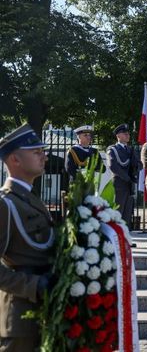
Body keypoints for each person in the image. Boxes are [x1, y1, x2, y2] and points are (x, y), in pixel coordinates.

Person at [0, 124, 54, 351]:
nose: (43, 155)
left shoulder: (29, 198)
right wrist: (35, 285)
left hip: (42, 315)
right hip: (20, 321)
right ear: (15, 159)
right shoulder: (5, 203)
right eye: (35, 152)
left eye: (42, 151)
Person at [107, 124, 141, 237]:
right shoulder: (113, 150)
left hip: (129, 185)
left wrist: (136, 167)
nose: (128, 135)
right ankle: (115, 237)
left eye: (128, 133)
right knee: (118, 212)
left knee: (127, 213)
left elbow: (138, 164)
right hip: (119, 184)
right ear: (118, 135)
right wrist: (127, 178)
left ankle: (125, 238)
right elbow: (113, 166)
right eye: (124, 133)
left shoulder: (130, 150)